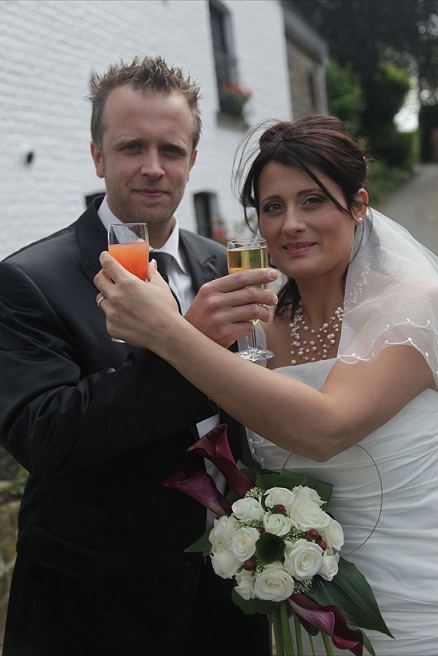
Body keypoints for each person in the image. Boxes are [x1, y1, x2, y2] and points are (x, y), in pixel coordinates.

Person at [94, 115, 438, 655]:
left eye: (313, 201)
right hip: (298, 613)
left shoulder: (413, 305)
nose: (290, 224)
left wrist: (167, 332)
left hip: (412, 605)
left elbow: (326, 428)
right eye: (273, 207)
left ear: (359, 205)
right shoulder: (261, 326)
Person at [0, 56, 277, 656]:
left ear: (193, 161)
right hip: (95, 609)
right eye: (131, 147)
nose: (153, 168)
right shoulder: (27, 280)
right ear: (98, 156)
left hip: (232, 598)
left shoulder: (222, 263)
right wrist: (191, 346)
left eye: (171, 150)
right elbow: (45, 436)